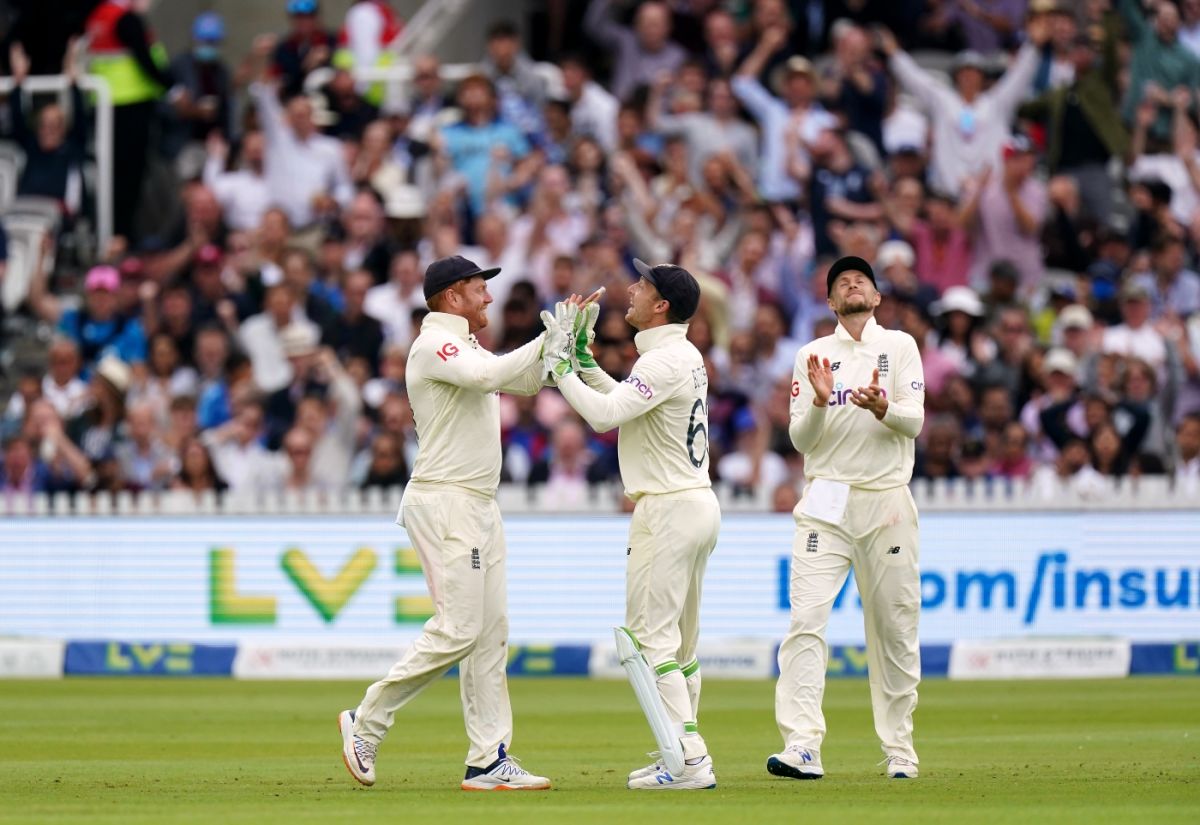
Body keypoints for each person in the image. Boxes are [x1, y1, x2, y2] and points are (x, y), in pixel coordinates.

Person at [338, 255, 554, 791]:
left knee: (489, 636)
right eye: (481, 289)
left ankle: (488, 759)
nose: (488, 298)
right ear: (453, 295)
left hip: (480, 503)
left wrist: (564, 347)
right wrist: (549, 340)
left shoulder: (471, 346)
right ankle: (366, 721)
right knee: (459, 628)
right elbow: (489, 375)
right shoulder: (435, 343)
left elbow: (521, 382)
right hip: (445, 502)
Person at [546, 261, 721, 790]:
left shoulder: (664, 361)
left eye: (643, 286)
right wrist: (580, 359)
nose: (632, 290)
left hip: (667, 510)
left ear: (662, 304)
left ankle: (688, 756)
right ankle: (679, 748)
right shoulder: (679, 356)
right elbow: (626, 401)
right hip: (696, 505)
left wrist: (559, 372)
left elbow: (603, 416)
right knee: (681, 646)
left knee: (649, 640)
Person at [771, 256, 925, 781]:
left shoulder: (899, 346)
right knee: (805, 622)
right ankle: (802, 745)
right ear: (831, 302)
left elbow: (915, 421)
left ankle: (900, 749)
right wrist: (816, 403)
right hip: (826, 503)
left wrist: (885, 410)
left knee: (894, 628)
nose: (851, 282)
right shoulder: (812, 355)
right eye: (841, 282)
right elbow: (800, 439)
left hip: (886, 500)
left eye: (861, 278)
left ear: (877, 297)